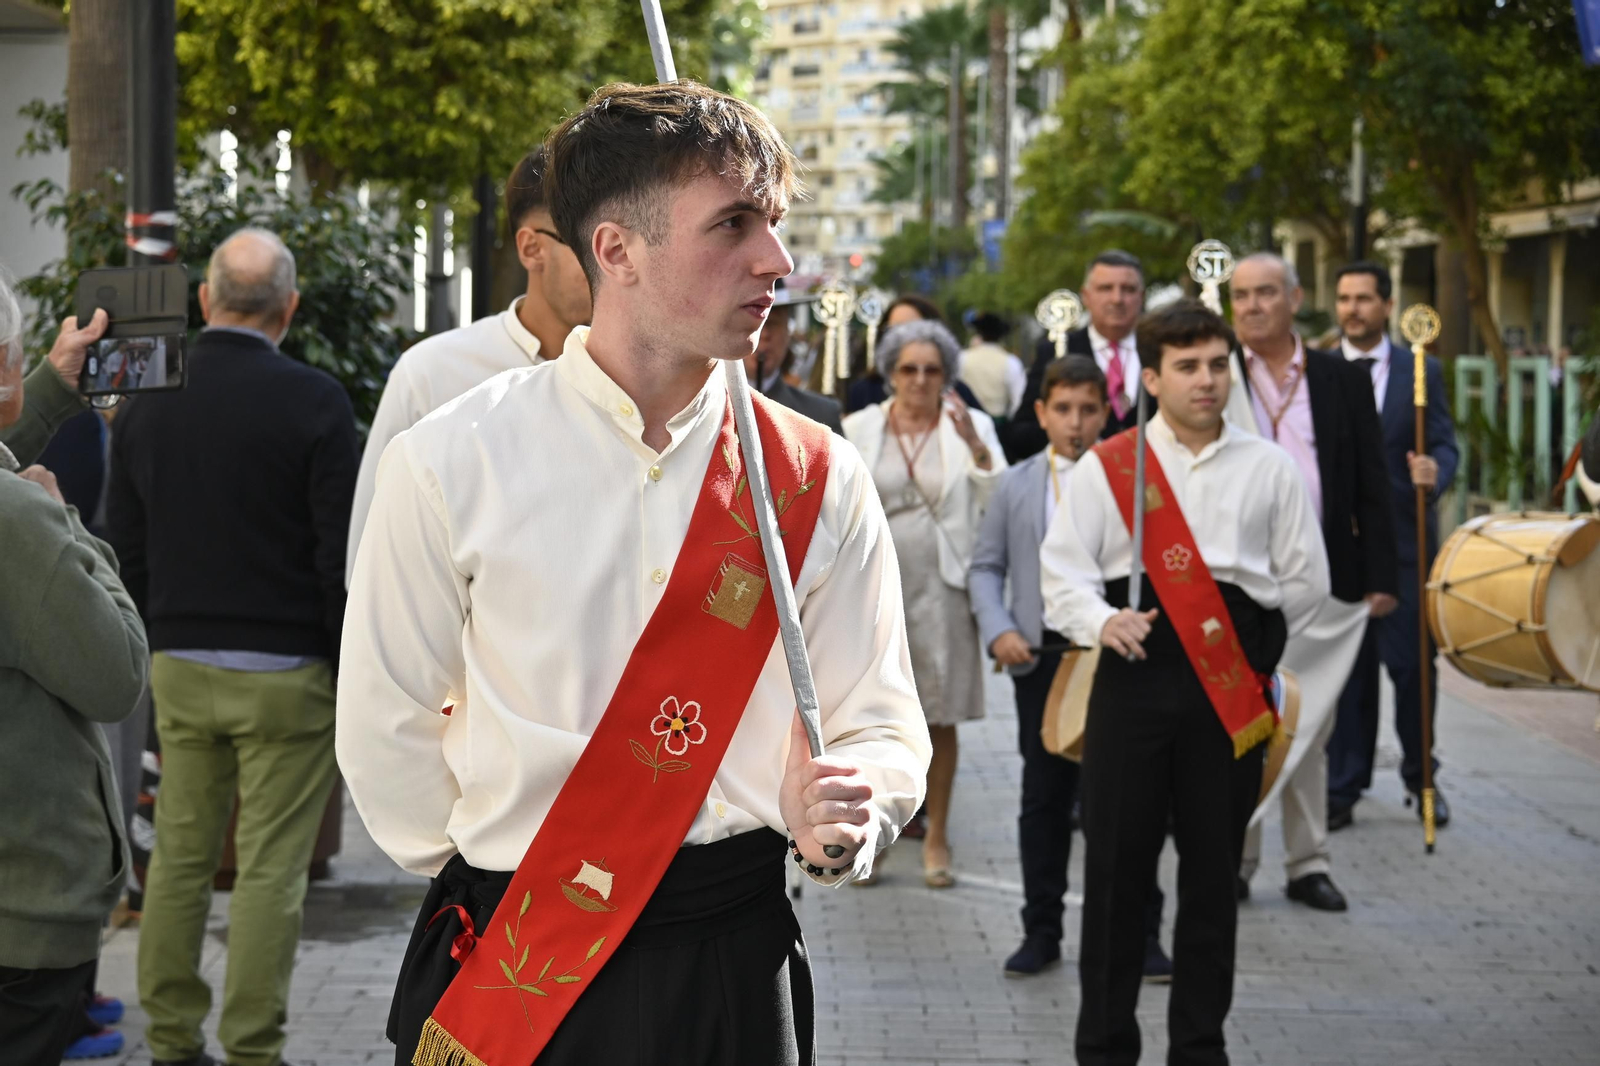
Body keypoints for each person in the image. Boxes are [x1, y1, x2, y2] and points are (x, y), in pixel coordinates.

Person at [338, 81, 930, 1066]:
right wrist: (509, 865)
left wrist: (854, 805)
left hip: (731, 959)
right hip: (522, 954)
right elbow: (387, 720)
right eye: (734, 224)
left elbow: (877, 715)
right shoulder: (452, 459)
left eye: (775, 223)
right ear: (614, 251)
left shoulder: (817, 476)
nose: (776, 261)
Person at [1042, 299, 1328, 1065]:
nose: (1206, 381)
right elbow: (1061, 570)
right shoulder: (1113, 465)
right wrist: (1102, 620)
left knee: (1213, 877)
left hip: (1229, 682)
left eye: (1216, 364)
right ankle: (1104, 1047)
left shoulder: (1269, 467)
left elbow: (1305, 579)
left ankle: (1200, 1047)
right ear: (1152, 376)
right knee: (1113, 877)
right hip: (1134, 677)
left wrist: (1253, 641)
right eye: (1187, 366)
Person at [106, 228, 359, 1066]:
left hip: (179, 664)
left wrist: (157, 636)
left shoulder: (148, 402)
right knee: (270, 873)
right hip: (290, 674)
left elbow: (125, 544)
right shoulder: (319, 403)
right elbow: (336, 558)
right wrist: (343, 661)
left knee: (178, 858)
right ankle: (253, 1047)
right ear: (287, 310)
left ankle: (172, 1041)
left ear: (206, 301)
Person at [0, 273, 148, 1065]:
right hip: (20, 919)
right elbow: (119, 673)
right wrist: (70, 530)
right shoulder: (20, 521)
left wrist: (51, 386)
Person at [1225, 252, 1398, 912]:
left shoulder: (1337, 379)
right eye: (1241, 295)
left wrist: (1381, 575)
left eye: (1266, 292)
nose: (1252, 306)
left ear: (1295, 297)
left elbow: (1370, 485)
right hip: (1239, 578)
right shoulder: (1217, 373)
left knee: (1310, 719)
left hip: (1322, 575)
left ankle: (1308, 863)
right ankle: (1237, 860)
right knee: (1244, 718)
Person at [347, 146, 592, 582]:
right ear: (532, 248)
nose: (614, 260)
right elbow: (371, 563)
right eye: (589, 241)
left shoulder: (653, 380)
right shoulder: (431, 373)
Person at [970, 356, 1122, 975]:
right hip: (1044, 660)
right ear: (1041, 413)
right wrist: (1001, 628)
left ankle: (1137, 931)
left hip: (1114, 654)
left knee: (1123, 799)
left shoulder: (1129, 479)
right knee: (1045, 798)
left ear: (1106, 412)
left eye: (1089, 409)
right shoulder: (1017, 484)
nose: (1076, 422)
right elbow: (986, 566)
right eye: (1063, 410)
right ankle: (1042, 929)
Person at [843, 319, 1005, 889]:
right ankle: (877, 836)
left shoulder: (971, 425)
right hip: (872, 585)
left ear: (948, 377)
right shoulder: (859, 425)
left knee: (940, 714)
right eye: (908, 369)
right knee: (874, 712)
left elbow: (997, 499)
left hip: (944, 587)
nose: (919, 380)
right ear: (889, 373)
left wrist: (978, 449)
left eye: (932, 370)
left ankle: (936, 833)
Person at [1327, 261, 1459, 830]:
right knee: (1348, 674)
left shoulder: (1420, 371)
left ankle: (1420, 774)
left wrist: (1438, 471)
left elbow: (1447, 444)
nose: (1352, 308)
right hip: (1340, 546)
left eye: (1363, 298)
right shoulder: (1318, 371)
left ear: (1386, 304)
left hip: (1406, 541)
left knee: (1412, 669)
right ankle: (1342, 785)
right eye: (1344, 298)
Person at [1005, 249, 1147, 461]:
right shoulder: (1055, 352)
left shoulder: (1162, 351)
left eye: (1127, 289)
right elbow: (1023, 432)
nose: (1117, 299)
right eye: (1106, 288)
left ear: (1141, 296)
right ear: (1086, 296)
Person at [843, 293, 985, 415]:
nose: (920, 380)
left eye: (913, 328)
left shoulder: (956, 393)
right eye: (894, 329)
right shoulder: (864, 391)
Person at [747, 276, 843, 432]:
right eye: (753, 322)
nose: (764, 334)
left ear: (788, 331)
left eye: (773, 323)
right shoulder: (705, 409)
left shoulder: (820, 417)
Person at [960, 311, 1026, 420]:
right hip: (998, 423)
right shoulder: (1011, 362)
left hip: (968, 419)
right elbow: (1018, 400)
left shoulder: (963, 358)